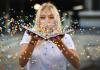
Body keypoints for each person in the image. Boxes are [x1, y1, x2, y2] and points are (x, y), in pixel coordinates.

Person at [19, 3, 80, 70]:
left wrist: (60, 43)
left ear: (56, 20)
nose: (47, 21)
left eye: (51, 17)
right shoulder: (29, 35)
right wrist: (33, 41)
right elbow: (22, 63)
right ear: (38, 20)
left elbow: (77, 64)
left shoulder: (65, 37)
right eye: (42, 17)